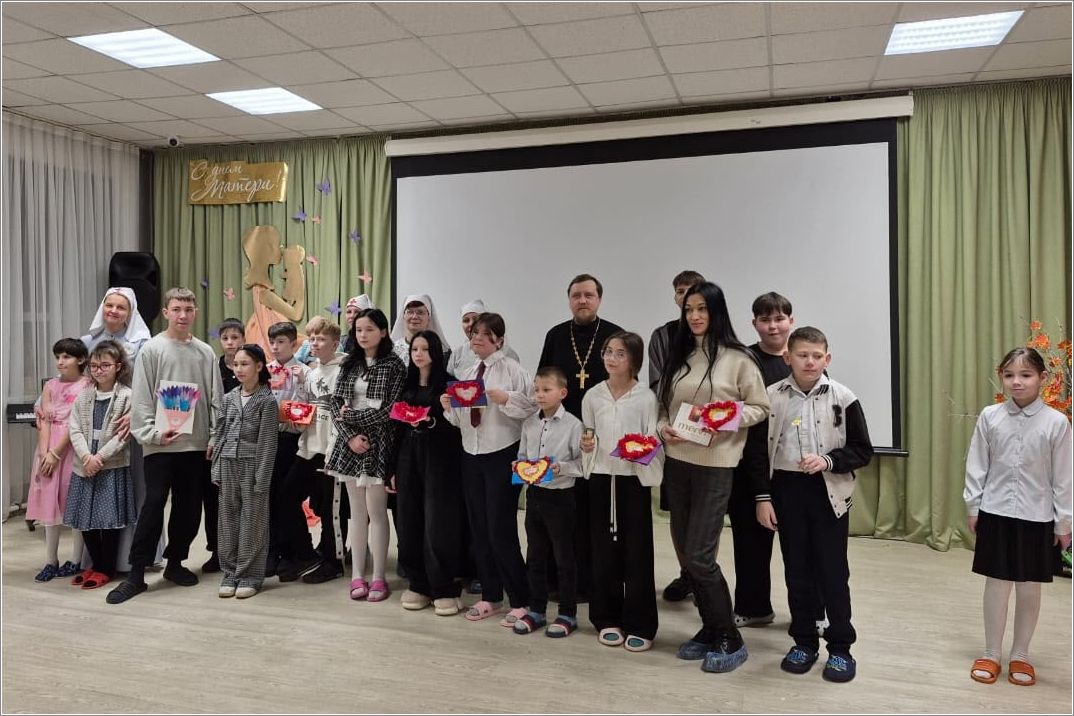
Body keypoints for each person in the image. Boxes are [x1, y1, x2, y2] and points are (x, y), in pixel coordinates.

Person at [657, 281, 769, 674]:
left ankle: (730, 637)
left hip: (716, 464)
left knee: (701, 556)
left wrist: (727, 418)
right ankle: (710, 628)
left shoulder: (738, 358)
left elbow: (761, 406)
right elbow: (663, 406)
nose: (694, 316)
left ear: (716, 311)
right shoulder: (681, 355)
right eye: (689, 309)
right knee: (687, 555)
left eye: (702, 308)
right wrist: (662, 428)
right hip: (678, 461)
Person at [757, 326, 872, 682]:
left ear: (827, 358)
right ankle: (804, 642)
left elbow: (862, 450)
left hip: (828, 491)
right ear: (787, 357)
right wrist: (763, 497)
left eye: (816, 356)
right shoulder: (771, 396)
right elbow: (757, 454)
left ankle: (841, 647)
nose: (809, 362)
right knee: (797, 571)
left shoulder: (843, 396)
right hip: (787, 491)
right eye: (802, 355)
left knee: (833, 572)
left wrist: (828, 461)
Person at [107, 287, 223, 605]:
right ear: (166, 312)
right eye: (177, 309)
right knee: (154, 503)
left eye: (188, 309)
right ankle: (136, 574)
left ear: (195, 312)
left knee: (189, 506)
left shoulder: (205, 352)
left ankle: (175, 563)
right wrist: (152, 434)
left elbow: (216, 398)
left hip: (196, 445)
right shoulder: (153, 349)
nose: (183, 315)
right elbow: (143, 396)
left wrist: (214, 436)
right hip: (160, 445)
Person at [964, 347, 1072, 687]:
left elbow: (1064, 477)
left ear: (1042, 378)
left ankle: (1021, 655)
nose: (1017, 382)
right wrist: (973, 505)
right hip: (995, 512)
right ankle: (991, 653)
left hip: (1037, 516)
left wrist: (1063, 523)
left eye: (1026, 375)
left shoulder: (1057, 423)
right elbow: (977, 464)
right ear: (1002, 377)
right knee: (996, 585)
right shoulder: (990, 416)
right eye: (1009, 375)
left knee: (1029, 588)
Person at [441, 312, 535, 626]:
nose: (477, 338)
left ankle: (520, 598)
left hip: (503, 453)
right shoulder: (467, 372)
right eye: (474, 333)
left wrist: (506, 398)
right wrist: (449, 408)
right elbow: (461, 421)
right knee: (479, 527)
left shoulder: (514, 370)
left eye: (485, 333)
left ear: (499, 339)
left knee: (501, 527)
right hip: (471, 453)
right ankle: (491, 595)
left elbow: (532, 409)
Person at [538, 273, 622, 600]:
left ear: (599, 299)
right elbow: (544, 381)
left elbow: (626, 383)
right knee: (561, 510)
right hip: (562, 433)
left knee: (594, 512)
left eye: (589, 295)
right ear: (569, 300)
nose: (583, 300)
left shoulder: (615, 336)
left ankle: (595, 581)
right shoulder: (556, 335)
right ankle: (557, 580)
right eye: (576, 295)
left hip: (602, 435)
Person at [581, 332, 662, 652]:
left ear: (634, 361)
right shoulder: (593, 395)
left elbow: (652, 438)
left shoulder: (645, 397)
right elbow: (588, 435)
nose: (611, 359)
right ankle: (606, 618)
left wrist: (639, 451)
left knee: (637, 552)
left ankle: (641, 623)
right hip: (601, 478)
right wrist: (587, 446)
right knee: (602, 551)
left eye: (620, 354)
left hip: (633, 480)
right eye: (608, 352)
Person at [729, 292, 800, 628]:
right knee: (749, 543)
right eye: (765, 320)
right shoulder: (743, 360)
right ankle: (753, 607)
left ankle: (807, 613)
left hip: (791, 468)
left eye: (779, 319)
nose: (773, 326)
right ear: (754, 323)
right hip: (748, 466)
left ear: (791, 321)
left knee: (799, 548)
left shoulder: (801, 357)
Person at [326, 308, 406, 603]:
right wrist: (349, 437)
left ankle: (379, 577)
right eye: (359, 329)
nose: (363, 335)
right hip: (350, 444)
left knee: (377, 513)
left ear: (383, 332)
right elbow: (335, 404)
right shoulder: (349, 363)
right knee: (357, 514)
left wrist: (352, 417)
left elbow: (390, 410)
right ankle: (357, 575)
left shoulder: (394, 364)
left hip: (379, 444)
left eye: (370, 329)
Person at [80, 287, 159, 574]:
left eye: (120, 307)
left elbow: (151, 383)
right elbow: (78, 382)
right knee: (96, 487)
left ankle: (134, 557)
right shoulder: (88, 341)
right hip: (94, 423)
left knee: (134, 488)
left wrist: (135, 413)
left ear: (131, 312)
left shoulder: (143, 343)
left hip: (128, 423)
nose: (113, 311)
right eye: (109, 305)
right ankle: (99, 559)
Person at [392, 330, 466, 615]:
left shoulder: (449, 385)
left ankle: (444, 585)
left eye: (424, 349)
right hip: (408, 458)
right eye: (415, 349)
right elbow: (396, 430)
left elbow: (459, 427)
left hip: (440, 459)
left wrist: (433, 421)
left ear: (435, 352)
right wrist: (391, 469)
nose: (419, 354)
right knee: (409, 518)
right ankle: (418, 582)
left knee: (439, 521)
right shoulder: (406, 384)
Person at [512, 366, 584, 638]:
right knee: (535, 555)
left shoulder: (573, 425)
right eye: (536, 390)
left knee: (564, 557)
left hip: (560, 498)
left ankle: (567, 613)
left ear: (562, 393)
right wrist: (518, 466)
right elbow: (522, 455)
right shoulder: (529, 423)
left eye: (546, 390)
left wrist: (560, 468)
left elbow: (582, 464)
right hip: (535, 496)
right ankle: (536, 610)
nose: (539, 395)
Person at [648, 270, 705, 603]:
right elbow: (657, 382)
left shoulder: (720, 337)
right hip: (675, 432)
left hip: (711, 436)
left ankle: (704, 577)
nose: (687, 297)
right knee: (679, 510)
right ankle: (687, 575)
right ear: (675, 297)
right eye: (681, 291)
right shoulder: (663, 335)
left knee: (706, 514)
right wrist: (678, 415)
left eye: (694, 291)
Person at [64, 340, 137, 591]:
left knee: (109, 520)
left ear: (118, 367)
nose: (99, 370)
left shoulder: (127, 396)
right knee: (85, 518)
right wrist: (87, 458)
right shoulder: (84, 395)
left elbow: (123, 436)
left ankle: (107, 568)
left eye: (105, 365)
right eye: (94, 365)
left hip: (111, 466)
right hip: (84, 466)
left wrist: (100, 458)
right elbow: (74, 429)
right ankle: (96, 564)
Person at [211, 343, 279, 599]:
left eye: (245, 364)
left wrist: (262, 478)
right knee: (227, 520)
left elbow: (268, 443)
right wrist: (216, 468)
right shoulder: (229, 398)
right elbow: (220, 435)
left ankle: (250, 575)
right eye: (236, 364)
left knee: (252, 521)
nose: (239, 369)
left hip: (253, 466)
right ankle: (230, 573)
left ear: (259, 366)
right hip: (228, 463)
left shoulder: (267, 400)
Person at [290, 320, 351, 585]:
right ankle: (305, 552)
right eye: (312, 338)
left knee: (331, 508)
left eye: (321, 339)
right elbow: (309, 409)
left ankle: (333, 561)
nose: (314, 343)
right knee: (287, 494)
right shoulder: (312, 373)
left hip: (332, 451)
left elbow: (344, 414)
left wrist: (335, 449)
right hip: (309, 447)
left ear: (335, 343)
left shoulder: (345, 371)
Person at [28, 338, 91, 582]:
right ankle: (50, 560)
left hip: (71, 449)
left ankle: (75, 559)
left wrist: (56, 453)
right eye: (58, 357)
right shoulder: (50, 386)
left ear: (81, 359)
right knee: (48, 504)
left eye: (66, 356)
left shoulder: (87, 385)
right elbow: (44, 420)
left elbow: (76, 423)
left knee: (73, 503)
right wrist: (45, 453)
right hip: (48, 450)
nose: (60, 362)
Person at [264, 321, 320, 581]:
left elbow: (308, 409)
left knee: (287, 497)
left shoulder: (306, 372)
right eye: (272, 342)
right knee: (270, 496)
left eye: (281, 342)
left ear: (294, 343)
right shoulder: (265, 371)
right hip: (269, 440)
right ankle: (274, 551)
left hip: (295, 441)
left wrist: (286, 414)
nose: (275, 347)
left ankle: (296, 553)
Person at [447, 299, 520, 377]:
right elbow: (448, 381)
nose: (470, 324)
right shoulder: (457, 354)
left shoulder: (509, 354)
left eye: (475, 319)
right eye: (466, 320)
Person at [390, 293, 450, 367]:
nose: (414, 316)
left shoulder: (442, 351)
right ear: (403, 316)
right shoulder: (391, 351)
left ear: (429, 318)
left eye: (420, 312)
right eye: (410, 312)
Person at [216, 318, 245, 394]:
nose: (229, 342)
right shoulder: (215, 367)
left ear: (244, 340)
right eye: (225, 338)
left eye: (234, 337)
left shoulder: (252, 368)